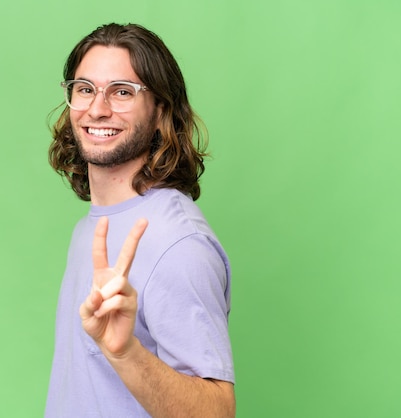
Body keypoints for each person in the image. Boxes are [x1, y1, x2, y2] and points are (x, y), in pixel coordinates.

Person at [45, 23, 235, 417]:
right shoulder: (91, 228)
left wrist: (125, 352)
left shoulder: (177, 241)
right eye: (85, 88)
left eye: (122, 91)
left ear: (160, 109)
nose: (97, 108)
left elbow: (218, 412)